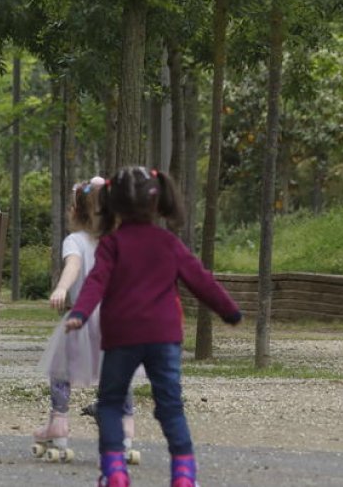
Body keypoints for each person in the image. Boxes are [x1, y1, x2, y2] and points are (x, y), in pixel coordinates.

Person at [65, 166, 242, 487]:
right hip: (164, 337)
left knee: (110, 404)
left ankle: (115, 472)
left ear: (112, 203)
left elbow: (95, 283)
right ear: (158, 201)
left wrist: (80, 313)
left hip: (121, 337)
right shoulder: (168, 243)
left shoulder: (111, 244)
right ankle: (184, 476)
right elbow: (200, 280)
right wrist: (229, 311)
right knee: (171, 405)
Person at [33, 177, 136, 460]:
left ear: (75, 211)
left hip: (83, 316)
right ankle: (124, 431)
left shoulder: (75, 241)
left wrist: (63, 287)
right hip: (117, 321)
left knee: (60, 370)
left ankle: (59, 424)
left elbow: (74, 265)